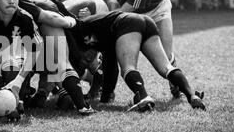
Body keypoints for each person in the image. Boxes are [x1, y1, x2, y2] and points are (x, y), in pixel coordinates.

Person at [70, 10, 206, 111]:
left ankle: (144, 96)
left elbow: (109, 66)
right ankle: (192, 96)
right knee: (166, 67)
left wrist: (103, 98)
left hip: (128, 23)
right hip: (146, 21)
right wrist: (104, 99)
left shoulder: (80, 31)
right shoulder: (97, 30)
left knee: (128, 68)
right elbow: (110, 65)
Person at [91, 0, 180, 98]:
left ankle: (176, 84)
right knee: (115, 51)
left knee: (165, 54)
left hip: (158, 11)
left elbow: (121, 14)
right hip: (135, 14)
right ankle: (104, 87)